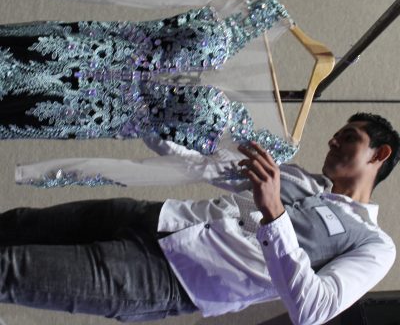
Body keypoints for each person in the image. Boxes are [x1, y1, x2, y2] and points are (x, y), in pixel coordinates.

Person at [1, 112, 398, 324]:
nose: (333, 140)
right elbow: (208, 165)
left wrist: (274, 214)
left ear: (379, 155)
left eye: (349, 137)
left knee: (10, 271)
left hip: (167, 279)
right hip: (150, 217)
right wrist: (148, 120)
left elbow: (313, 310)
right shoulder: (297, 177)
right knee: (16, 223)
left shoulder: (374, 244)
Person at [0, 0, 296, 164]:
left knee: (17, 108)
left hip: (96, 111)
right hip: (94, 45)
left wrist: (54, 173)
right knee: (18, 51)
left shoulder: (267, 145)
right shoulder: (255, 6)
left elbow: (188, 166)